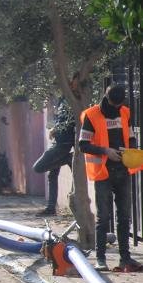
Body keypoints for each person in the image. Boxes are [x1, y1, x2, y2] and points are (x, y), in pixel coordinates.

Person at [79, 85, 143, 272]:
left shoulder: (124, 113)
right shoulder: (91, 115)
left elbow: (130, 137)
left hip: (122, 170)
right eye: (114, 104)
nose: (116, 108)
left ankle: (126, 259)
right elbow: (83, 145)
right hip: (103, 172)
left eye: (119, 104)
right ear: (107, 99)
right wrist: (106, 151)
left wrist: (128, 150)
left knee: (124, 216)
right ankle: (100, 259)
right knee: (103, 217)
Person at [32, 95, 75, 217]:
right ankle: (51, 208)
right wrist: (55, 128)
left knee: (38, 167)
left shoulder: (76, 99)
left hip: (64, 144)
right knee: (52, 175)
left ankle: (67, 158)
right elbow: (60, 119)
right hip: (59, 141)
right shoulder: (63, 99)